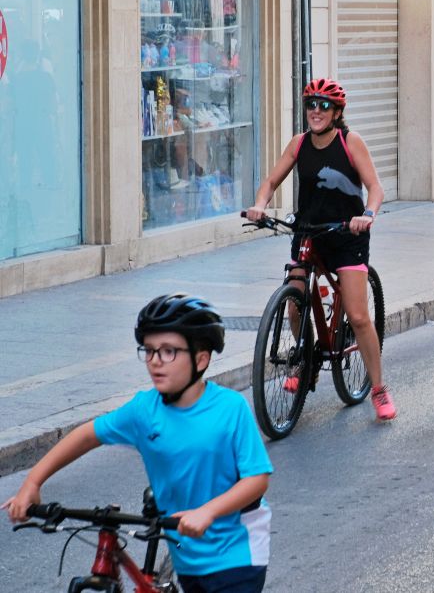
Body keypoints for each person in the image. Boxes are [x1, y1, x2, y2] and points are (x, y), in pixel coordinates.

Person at [4, 294, 273, 592]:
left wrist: (207, 511)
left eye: (169, 351)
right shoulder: (144, 410)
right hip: (187, 552)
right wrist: (32, 483)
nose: (155, 361)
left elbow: (257, 479)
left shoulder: (230, 409)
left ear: (201, 358)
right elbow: (86, 435)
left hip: (236, 554)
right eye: (149, 350)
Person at [244, 78, 394, 420]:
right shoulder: (298, 144)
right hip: (309, 232)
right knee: (294, 302)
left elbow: (375, 187)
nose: (316, 111)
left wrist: (367, 214)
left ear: (337, 112)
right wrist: (259, 205)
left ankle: (379, 388)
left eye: (324, 105)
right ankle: (305, 358)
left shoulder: (350, 142)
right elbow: (270, 182)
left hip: (346, 234)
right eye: (311, 104)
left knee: (357, 315)